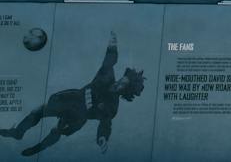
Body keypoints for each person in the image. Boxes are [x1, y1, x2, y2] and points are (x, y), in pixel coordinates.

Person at [0, 32, 145, 156]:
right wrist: (113, 43)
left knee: (56, 131)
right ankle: (18, 132)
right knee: (38, 111)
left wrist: (102, 138)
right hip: (70, 99)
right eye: (121, 80)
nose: (118, 83)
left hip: (77, 118)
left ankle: (38, 148)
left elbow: (105, 124)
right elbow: (110, 60)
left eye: (122, 86)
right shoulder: (107, 76)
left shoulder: (112, 107)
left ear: (124, 92)